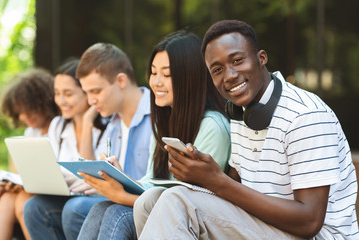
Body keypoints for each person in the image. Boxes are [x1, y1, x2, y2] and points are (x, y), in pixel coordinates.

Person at [134, 20, 359, 240]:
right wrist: (200, 173)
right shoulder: (241, 113)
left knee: (176, 202)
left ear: (261, 58)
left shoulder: (305, 116)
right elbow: (235, 184)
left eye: (237, 60)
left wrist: (216, 181)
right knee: (149, 201)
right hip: (262, 224)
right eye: (217, 69)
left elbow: (309, 222)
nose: (230, 75)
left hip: (314, 235)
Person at [76, 31, 231, 240]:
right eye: (153, 72)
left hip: (193, 224)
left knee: (116, 212)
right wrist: (122, 179)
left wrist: (121, 195)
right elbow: (152, 181)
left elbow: (191, 204)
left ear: (190, 77)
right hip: (159, 210)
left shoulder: (212, 127)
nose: (156, 82)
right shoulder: (163, 123)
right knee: (99, 209)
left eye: (166, 75)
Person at [25, 43, 153, 240]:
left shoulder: (157, 116)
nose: (91, 101)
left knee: (77, 210)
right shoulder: (112, 123)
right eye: (88, 92)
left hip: (137, 202)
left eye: (95, 91)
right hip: (114, 198)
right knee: (35, 207)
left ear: (120, 81)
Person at [23, 58, 110, 240]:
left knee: (74, 209)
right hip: (68, 195)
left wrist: (86, 124)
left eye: (68, 94)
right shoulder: (59, 124)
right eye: (57, 93)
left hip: (97, 197)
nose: (61, 101)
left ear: (87, 93)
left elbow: (93, 174)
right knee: (33, 207)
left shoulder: (108, 125)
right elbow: (52, 169)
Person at [0, 68, 60, 240]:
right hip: (32, 189)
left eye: (30, 109)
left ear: (42, 102)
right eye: (20, 112)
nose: (25, 116)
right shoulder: (30, 133)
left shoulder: (59, 127)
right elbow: (20, 173)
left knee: (22, 202)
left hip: (53, 192)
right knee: (7, 200)